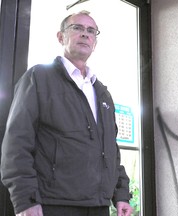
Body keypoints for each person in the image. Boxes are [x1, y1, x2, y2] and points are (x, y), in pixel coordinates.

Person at [1, 11, 133, 216]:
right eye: (77, 28)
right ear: (61, 37)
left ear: (95, 43)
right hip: (54, 204)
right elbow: (17, 143)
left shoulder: (103, 93)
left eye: (91, 31)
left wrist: (121, 194)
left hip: (98, 206)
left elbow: (110, 151)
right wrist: (25, 200)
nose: (85, 34)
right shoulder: (39, 78)